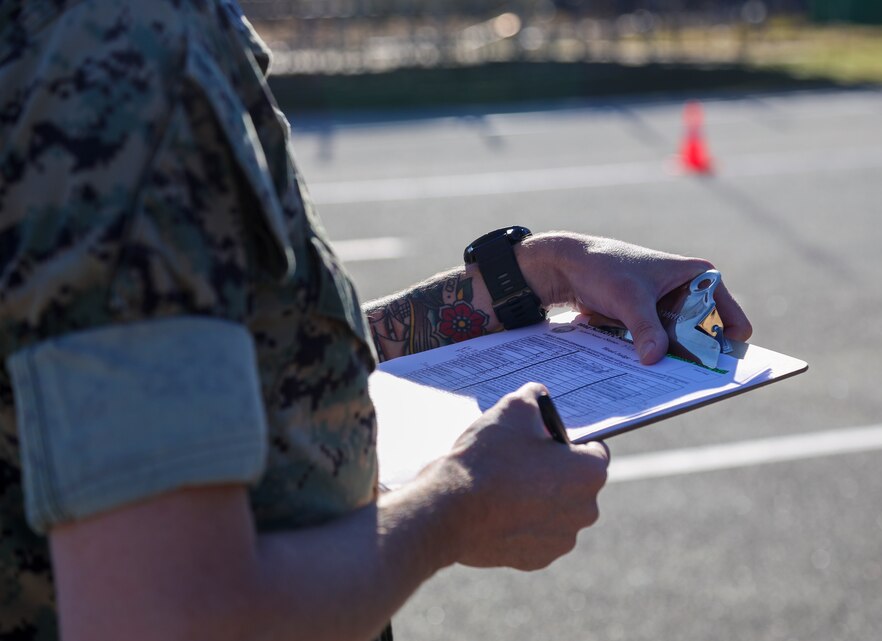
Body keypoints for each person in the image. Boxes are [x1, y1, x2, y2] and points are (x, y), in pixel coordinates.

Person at [0, 1, 752, 639]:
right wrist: (457, 504)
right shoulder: (130, 63)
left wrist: (524, 277)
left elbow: (258, 365)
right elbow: (165, 616)